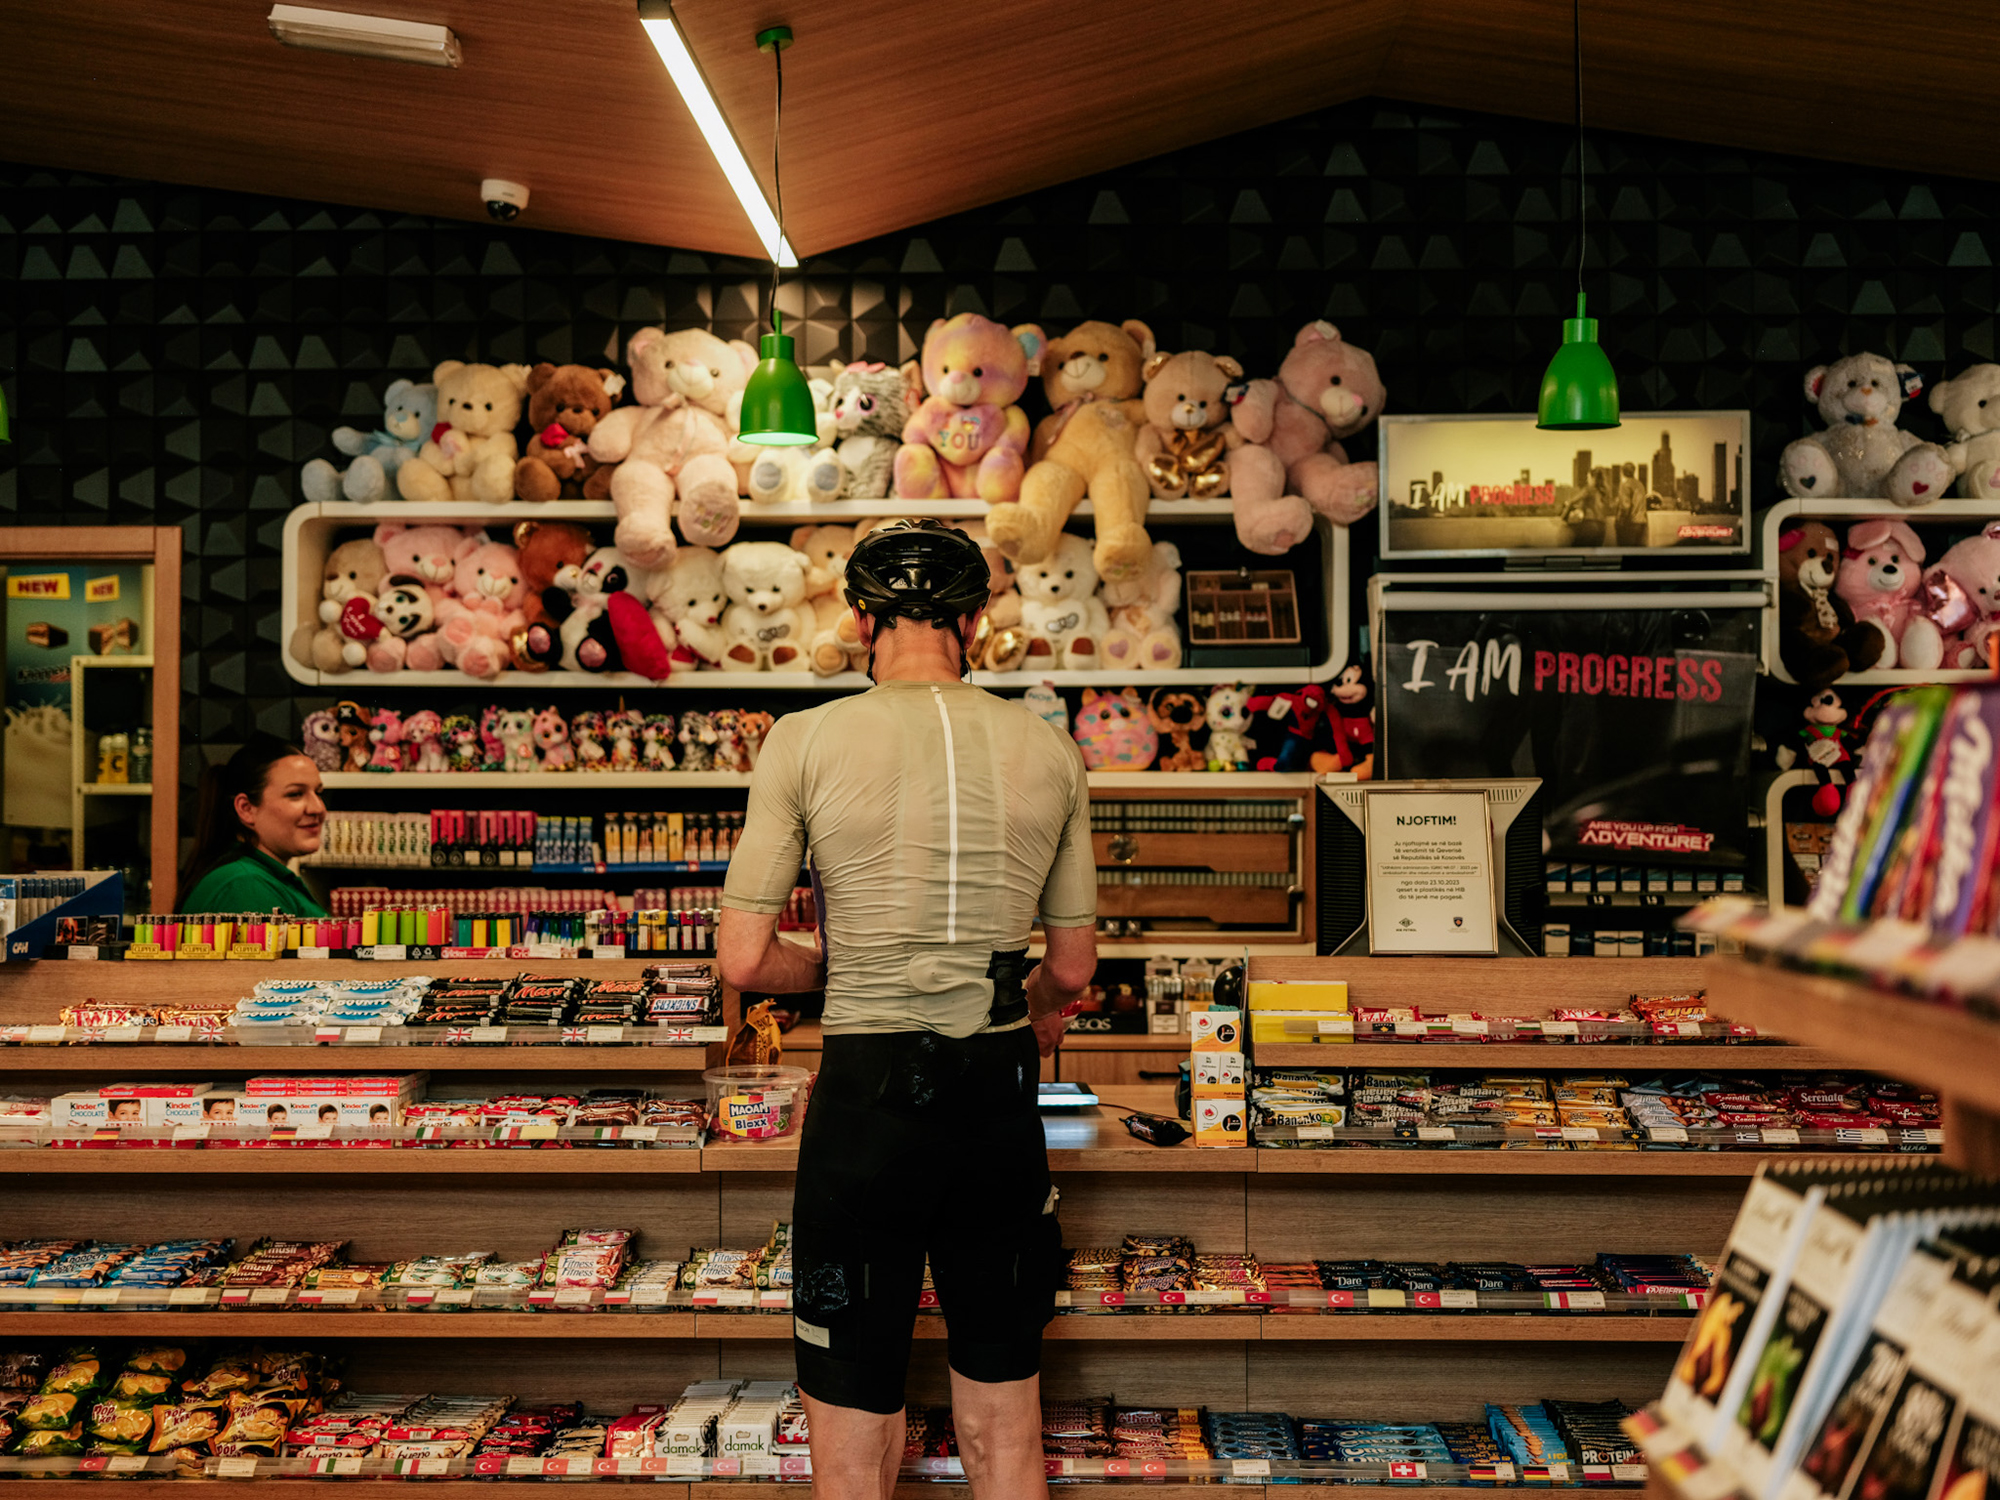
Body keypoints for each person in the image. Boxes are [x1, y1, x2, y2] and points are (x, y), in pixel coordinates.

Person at [718, 520, 1097, 1500]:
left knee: (849, 1420)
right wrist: (1039, 1013)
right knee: (1004, 1404)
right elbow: (1071, 965)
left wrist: (841, 972)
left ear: (855, 617)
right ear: (976, 618)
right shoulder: (1048, 748)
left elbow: (745, 957)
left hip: (865, 1102)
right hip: (996, 1087)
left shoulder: (801, 741)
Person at [179, 733, 329, 917]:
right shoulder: (245, 886)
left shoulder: (256, 877)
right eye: (295, 794)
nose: (318, 808)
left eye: (318, 792)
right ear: (246, 809)